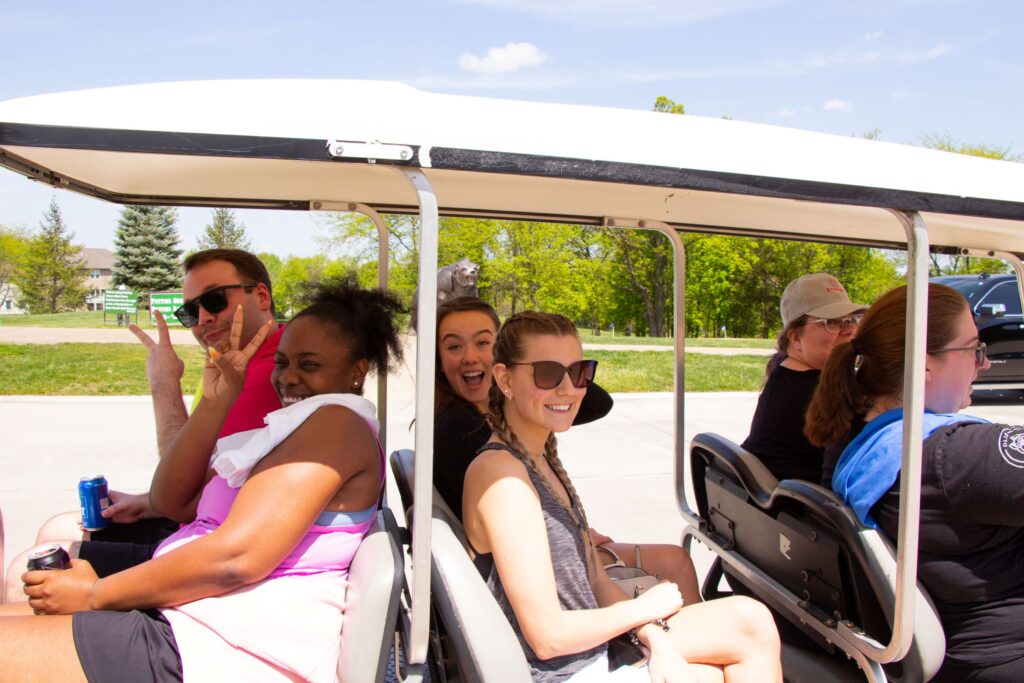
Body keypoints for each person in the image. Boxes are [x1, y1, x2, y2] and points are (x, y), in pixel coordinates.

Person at [0, 281, 404, 682]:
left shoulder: (337, 425)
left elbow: (238, 557)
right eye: (282, 362)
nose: (288, 378)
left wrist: (94, 596)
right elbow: (172, 500)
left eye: (309, 364)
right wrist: (218, 398)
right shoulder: (293, 428)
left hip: (229, 645)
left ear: (357, 370)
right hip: (198, 612)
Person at [463, 310, 782, 682]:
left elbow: (596, 580)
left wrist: (654, 637)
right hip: (566, 671)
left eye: (579, 372)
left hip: (594, 648)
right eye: (547, 373)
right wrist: (644, 608)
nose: (568, 389)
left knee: (750, 622)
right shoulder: (504, 478)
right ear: (505, 379)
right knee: (737, 646)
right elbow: (547, 638)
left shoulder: (540, 457)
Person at [6, 249, 283, 601]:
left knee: (24, 574)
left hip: (207, 546)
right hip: (201, 523)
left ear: (260, 295)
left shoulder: (270, 374)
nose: (202, 319)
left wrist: (164, 382)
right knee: (58, 528)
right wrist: (146, 503)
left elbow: (182, 492)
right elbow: (201, 474)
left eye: (214, 300)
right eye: (189, 311)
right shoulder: (234, 365)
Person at [805, 283, 1024, 681]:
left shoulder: (859, 439)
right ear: (923, 365)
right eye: (975, 349)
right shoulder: (956, 457)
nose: (985, 364)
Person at [433, 297, 700, 605]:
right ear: (439, 359)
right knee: (718, 599)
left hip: (558, 565)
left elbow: (596, 402)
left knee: (678, 562)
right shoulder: (464, 433)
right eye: (454, 347)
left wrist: (546, 364)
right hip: (537, 579)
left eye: (483, 343)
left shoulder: (522, 433)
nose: (470, 357)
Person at [741, 273, 865, 483]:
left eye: (851, 320)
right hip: (803, 511)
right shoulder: (817, 392)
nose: (849, 330)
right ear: (795, 337)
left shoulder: (784, 374)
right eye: (832, 322)